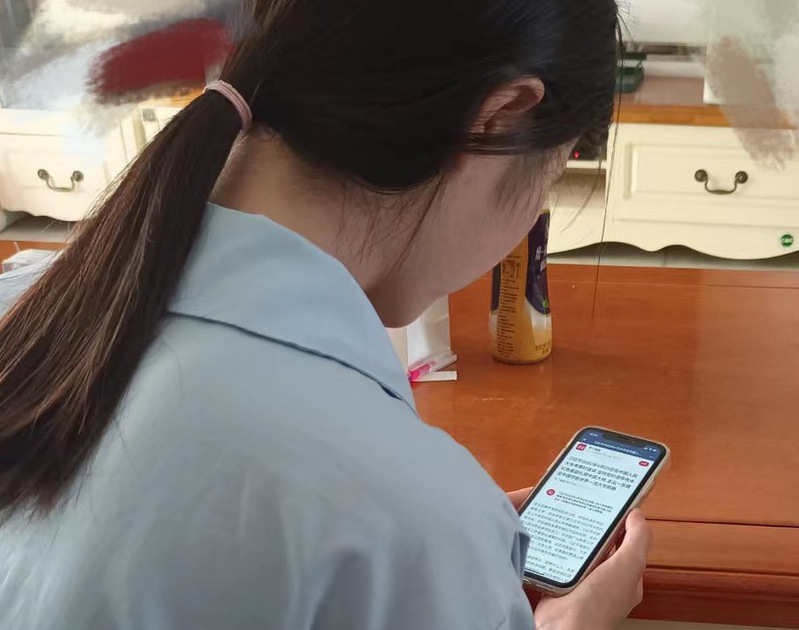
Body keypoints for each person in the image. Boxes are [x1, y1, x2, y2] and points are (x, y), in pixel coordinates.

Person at [0, 0, 650, 628]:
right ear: (501, 119)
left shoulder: (26, 303)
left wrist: (450, 540)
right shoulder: (405, 516)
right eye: (551, 177)